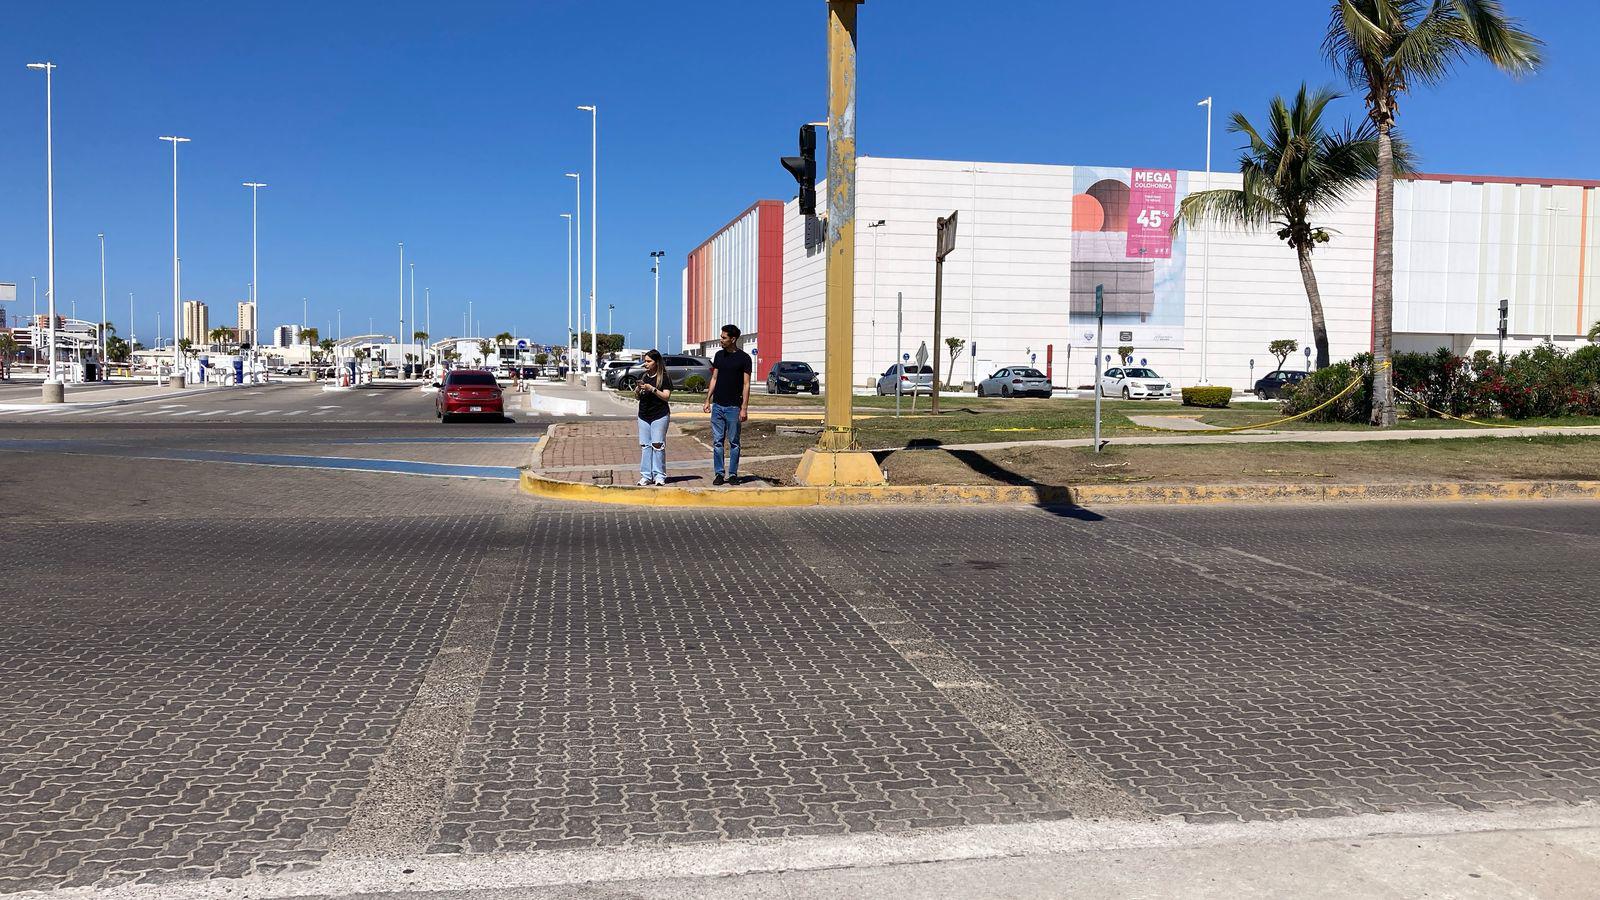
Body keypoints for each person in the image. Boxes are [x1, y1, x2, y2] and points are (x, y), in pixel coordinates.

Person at [702, 324, 752, 486]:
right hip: (718, 405)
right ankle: (719, 473)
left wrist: (744, 408)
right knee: (717, 441)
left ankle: (733, 474)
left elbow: (746, 384)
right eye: (721, 337)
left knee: (734, 442)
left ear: (733, 339)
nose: (721, 340)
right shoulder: (718, 356)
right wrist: (708, 399)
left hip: (733, 407)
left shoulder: (744, 358)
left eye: (724, 338)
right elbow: (714, 379)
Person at [635, 349, 673, 487]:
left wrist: (652, 389)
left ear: (656, 362)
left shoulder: (664, 377)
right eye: (645, 361)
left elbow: (666, 396)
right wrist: (638, 390)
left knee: (657, 445)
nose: (646, 364)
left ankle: (659, 475)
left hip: (660, 414)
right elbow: (637, 396)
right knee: (645, 445)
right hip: (644, 415)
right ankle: (646, 475)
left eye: (649, 361)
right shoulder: (643, 376)